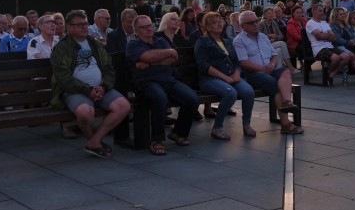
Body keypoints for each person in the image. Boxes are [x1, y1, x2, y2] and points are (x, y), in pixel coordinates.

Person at [50, 10, 130, 158]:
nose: (84, 27)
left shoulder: (95, 44)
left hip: (101, 88)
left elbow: (109, 69)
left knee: (123, 106)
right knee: (85, 113)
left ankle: (94, 141)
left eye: (86, 24)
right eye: (79, 24)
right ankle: (93, 141)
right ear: (70, 27)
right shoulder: (61, 48)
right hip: (75, 91)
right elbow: (63, 78)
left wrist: (104, 86)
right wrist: (88, 91)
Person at [127, 15, 198, 155]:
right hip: (147, 82)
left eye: (150, 25)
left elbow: (173, 58)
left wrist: (152, 62)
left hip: (169, 80)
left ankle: (178, 132)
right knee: (160, 98)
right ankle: (156, 140)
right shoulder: (133, 44)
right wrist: (166, 53)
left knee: (192, 99)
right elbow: (147, 56)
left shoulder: (160, 41)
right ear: (136, 30)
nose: (149, 29)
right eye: (144, 27)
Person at [234, 11, 303, 135]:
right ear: (243, 26)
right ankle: (285, 124)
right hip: (253, 73)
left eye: (256, 21)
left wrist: (272, 64)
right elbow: (244, 62)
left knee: (286, 72)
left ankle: (287, 102)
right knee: (274, 84)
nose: (256, 24)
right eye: (251, 23)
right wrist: (262, 68)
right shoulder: (239, 40)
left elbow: (274, 55)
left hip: (269, 70)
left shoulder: (263, 37)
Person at [194, 11, 255, 140]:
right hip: (210, 79)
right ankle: (217, 127)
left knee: (248, 92)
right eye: (214, 23)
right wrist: (225, 78)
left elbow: (236, 61)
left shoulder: (226, 42)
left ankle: (247, 125)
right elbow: (203, 65)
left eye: (220, 21)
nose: (219, 24)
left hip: (231, 76)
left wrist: (237, 73)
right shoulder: (203, 42)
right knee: (230, 93)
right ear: (207, 27)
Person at [306, 3, 353, 85]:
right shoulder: (310, 23)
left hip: (330, 47)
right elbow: (319, 36)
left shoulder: (324, 23)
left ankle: (330, 74)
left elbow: (334, 37)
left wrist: (323, 36)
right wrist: (326, 35)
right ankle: (328, 75)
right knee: (336, 58)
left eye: (323, 11)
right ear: (313, 11)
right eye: (320, 11)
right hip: (319, 49)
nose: (322, 13)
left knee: (347, 56)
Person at [328, 7, 355, 80]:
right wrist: (348, 42)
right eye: (340, 14)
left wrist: (354, 42)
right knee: (353, 56)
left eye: (343, 14)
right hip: (338, 46)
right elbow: (337, 39)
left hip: (347, 45)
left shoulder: (346, 25)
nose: (343, 15)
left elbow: (352, 36)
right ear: (335, 15)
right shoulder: (333, 26)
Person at [285, 5, 307, 69]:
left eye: (301, 12)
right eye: (297, 12)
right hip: (295, 44)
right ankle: (306, 65)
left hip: (303, 42)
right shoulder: (290, 23)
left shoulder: (304, 21)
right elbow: (295, 36)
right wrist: (307, 39)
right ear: (293, 13)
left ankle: (306, 65)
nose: (300, 14)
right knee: (307, 48)